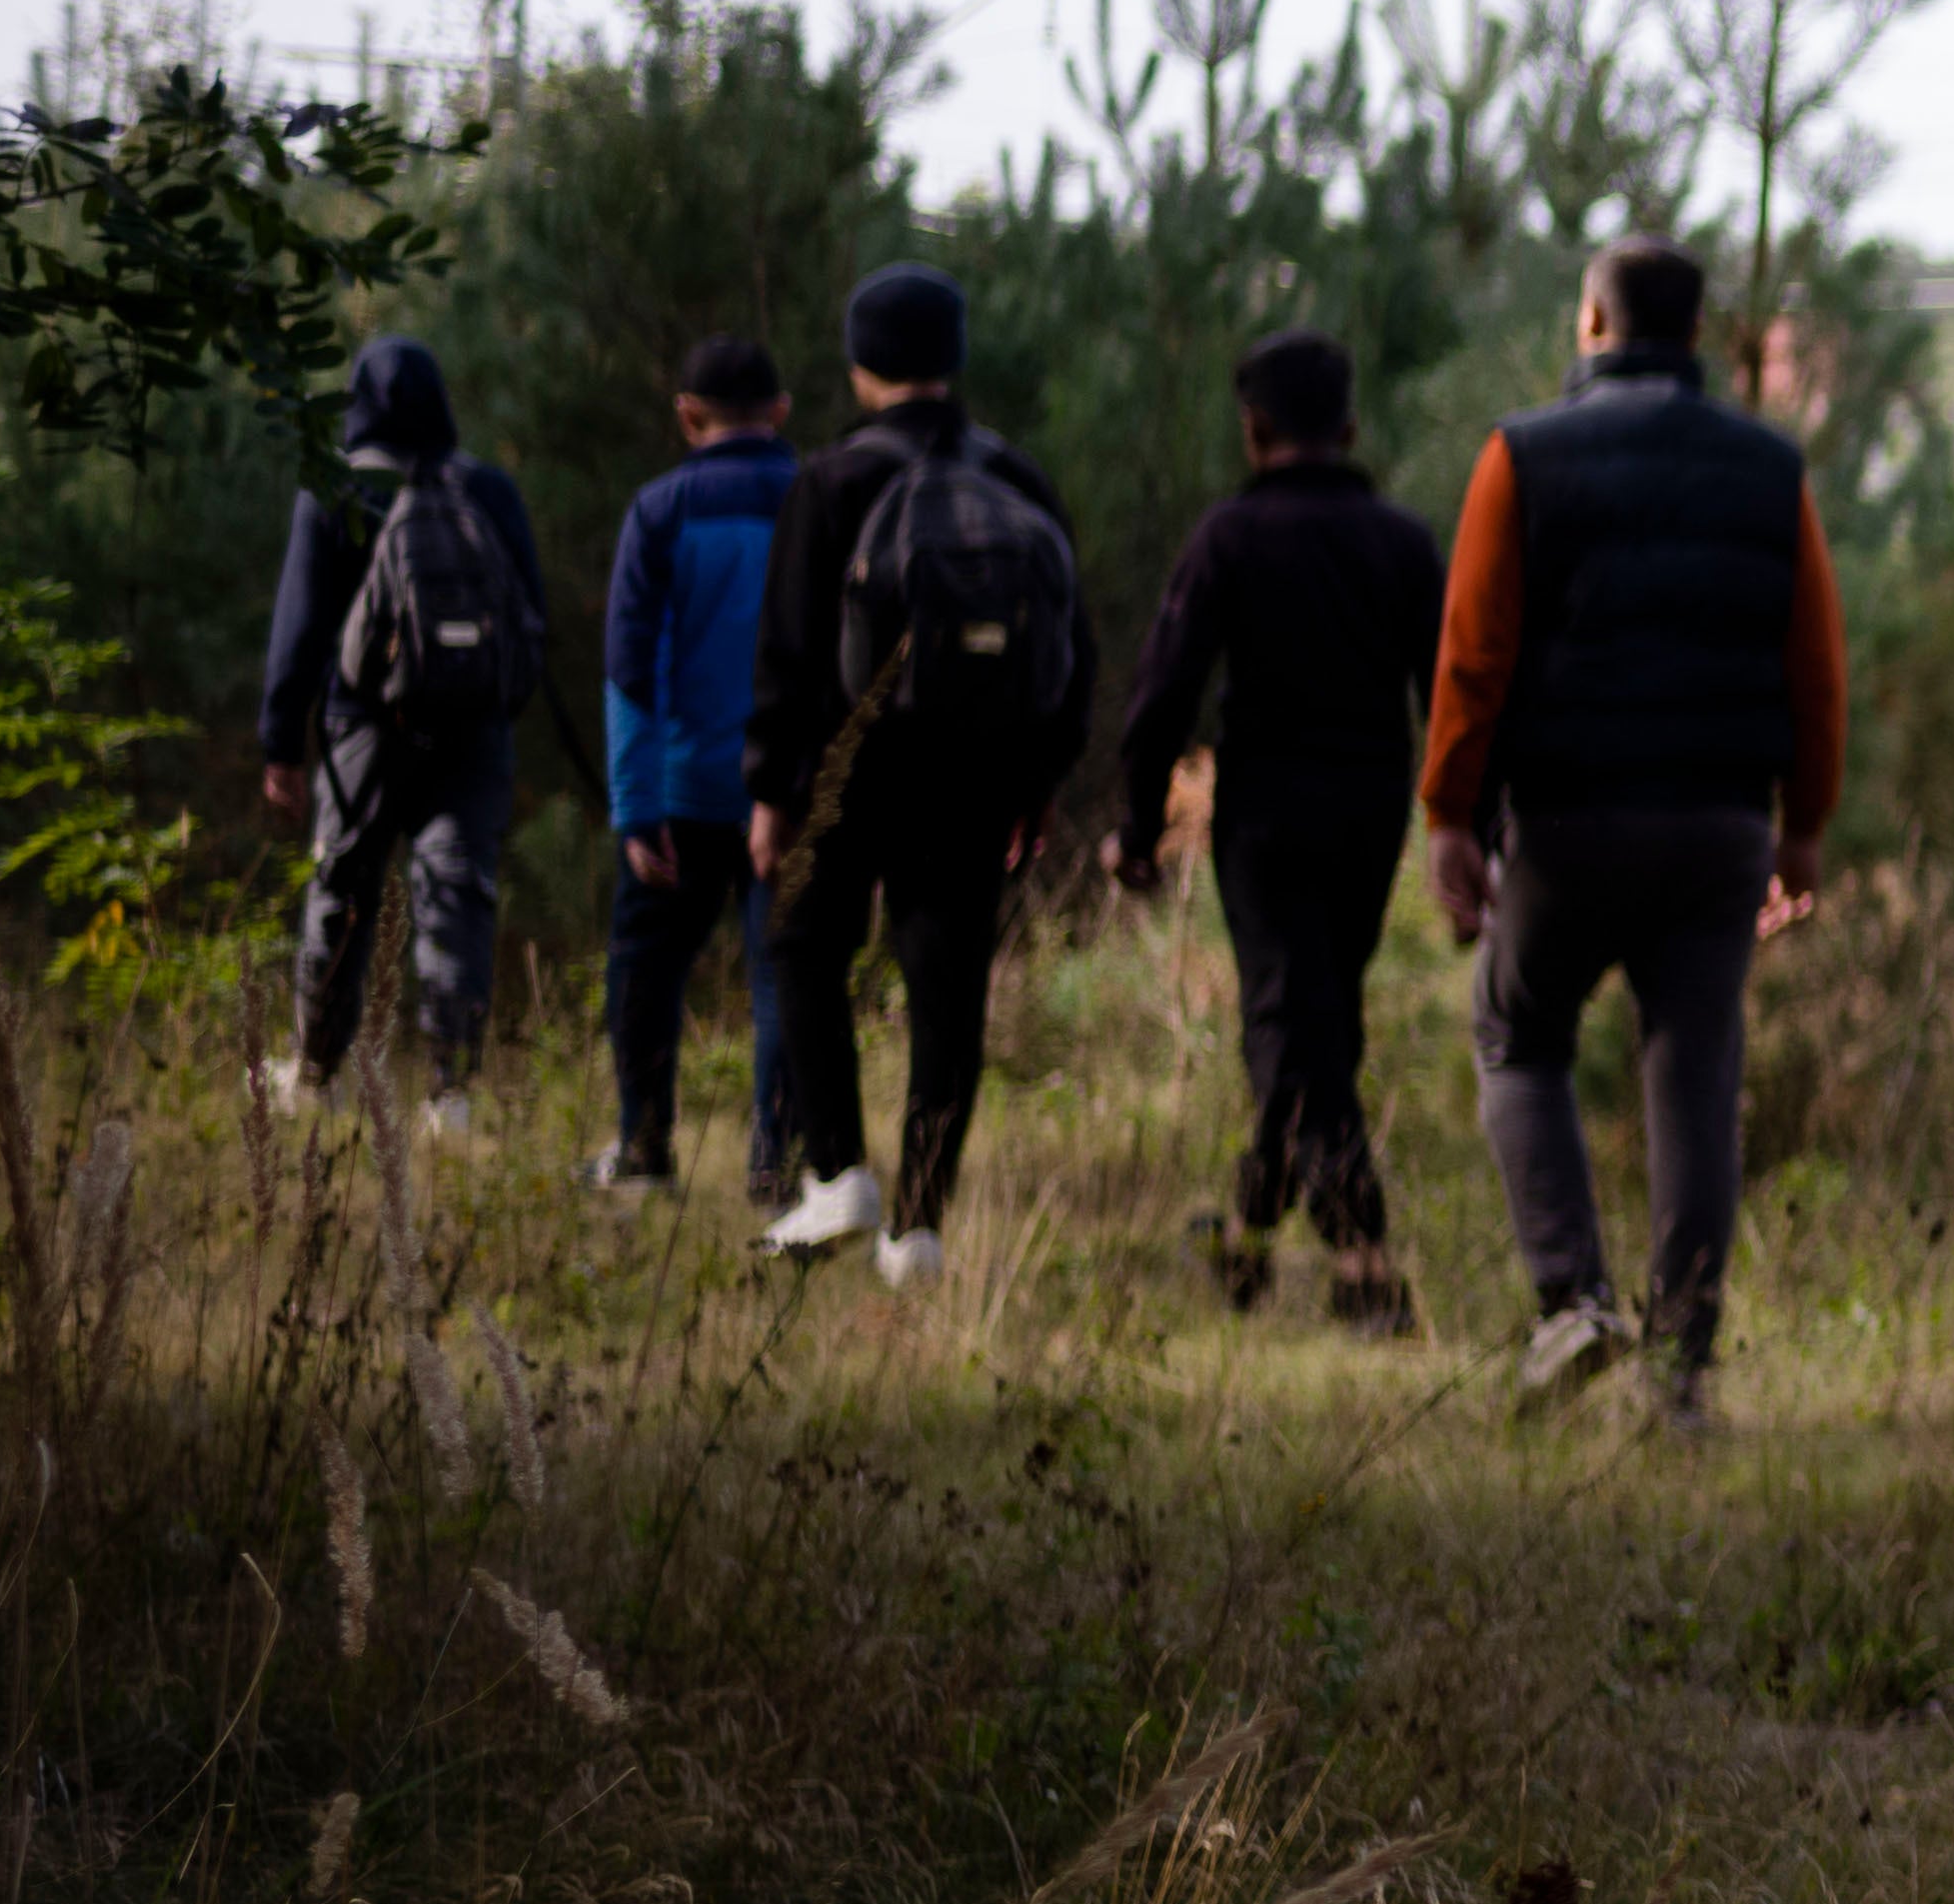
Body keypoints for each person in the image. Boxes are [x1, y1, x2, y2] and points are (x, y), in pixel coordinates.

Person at [1422, 236, 1848, 1415]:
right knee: (1696, 1078)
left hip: (1568, 818)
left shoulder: (1522, 455)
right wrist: (1802, 825)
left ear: (1592, 325)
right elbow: (1815, 666)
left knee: (1517, 1032)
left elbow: (1473, 654)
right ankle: (1682, 1376)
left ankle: (1573, 1304)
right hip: (1719, 828)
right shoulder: (1772, 470)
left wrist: (1450, 811)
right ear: (1699, 335)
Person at [748, 261, 1087, 1279]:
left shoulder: (834, 478)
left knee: (805, 947)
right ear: (955, 358)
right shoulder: (1016, 479)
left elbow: (790, 647)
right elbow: (1071, 652)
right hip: (976, 777)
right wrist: (1040, 778)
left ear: (861, 366)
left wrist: (773, 787)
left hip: (846, 771)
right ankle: (921, 1228)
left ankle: (838, 1174)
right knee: (946, 992)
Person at [1107, 328, 1450, 1326]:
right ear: (1347, 428)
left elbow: (1163, 690)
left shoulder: (1229, 537)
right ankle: (1251, 1238)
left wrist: (1137, 822)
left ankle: (1367, 1272)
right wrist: (1464, 819)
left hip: (1262, 817)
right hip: (1369, 811)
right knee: (1319, 1019)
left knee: (1286, 1023)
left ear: (1253, 431)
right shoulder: (1401, 539)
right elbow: (1449, 690)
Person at [252, 328, 546, 1126]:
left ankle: (316, 1075)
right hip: (473, 734)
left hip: (365, 731)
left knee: (343, 892)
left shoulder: (337, 491)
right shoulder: (487, 491)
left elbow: (301, 628)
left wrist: (281, 743)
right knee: (457, 893)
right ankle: (451, 1093)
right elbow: (532, 618)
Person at [585, 338, 793, 1199]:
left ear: (686, 415)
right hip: (790, 791)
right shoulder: (816, 498)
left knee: (646, 968)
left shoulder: (661, 510)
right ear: (781, 412)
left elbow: (633, 667)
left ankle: (643, 1152)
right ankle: (779, 1166)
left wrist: (636, 806)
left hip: (682, 794)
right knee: (785, 977)